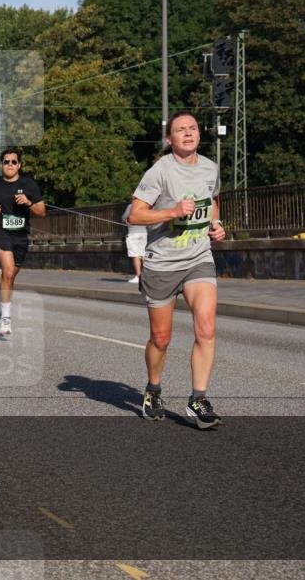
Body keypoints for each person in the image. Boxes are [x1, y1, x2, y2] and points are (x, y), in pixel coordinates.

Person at [127, 110, 226, 429]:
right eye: (180, 129)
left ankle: (198, 398)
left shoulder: (210, 168)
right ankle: (153, 390)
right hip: (162, 264)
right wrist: (171, 211)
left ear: (199, 134)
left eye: (193, 128)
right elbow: (136, 216)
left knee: (207, 327)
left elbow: (212, 200)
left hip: (199, 258)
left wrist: (216, 224)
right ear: (169, 139)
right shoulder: (159, 171)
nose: (188, 133)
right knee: (161, 338)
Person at [0, 148, 45, 338]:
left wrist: (28, 202)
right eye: (6, 161)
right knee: (6, 272)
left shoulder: (29, 185)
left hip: (21, 235)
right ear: (1, 165)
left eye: (13, 162)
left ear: (19, 165)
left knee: (11, 275)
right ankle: (6, 317)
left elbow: (42, 211)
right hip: (0, 232)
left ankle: (0, 310)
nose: (9, 165)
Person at [122, 204, 146, 285]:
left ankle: (139, 276)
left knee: (135, 255)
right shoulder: (147, 206)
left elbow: (124, 218)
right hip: (145, 232)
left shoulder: (131, 206)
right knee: (144, 254)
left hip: (133, 233)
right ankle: (146, 276)